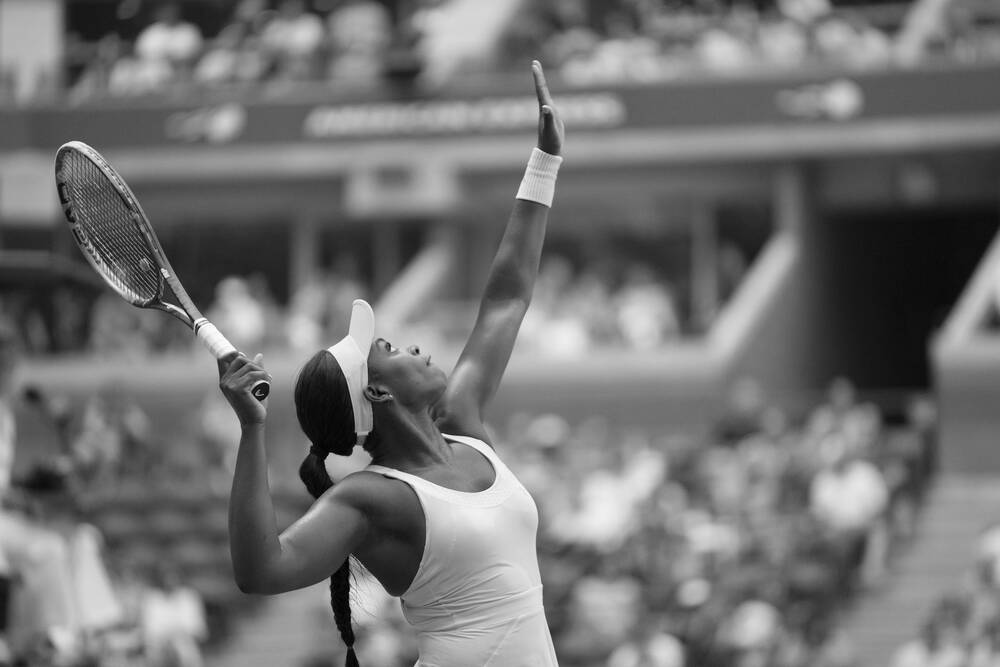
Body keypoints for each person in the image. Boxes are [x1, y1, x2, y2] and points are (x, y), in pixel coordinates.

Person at [218, 60, 564, 666]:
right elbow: (261, 570)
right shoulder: (373, 500)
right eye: (393, 350)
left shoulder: (465, 426)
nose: (417, 347)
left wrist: (544, 163)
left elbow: (507, 298)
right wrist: (252, 429)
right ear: (376, 396)